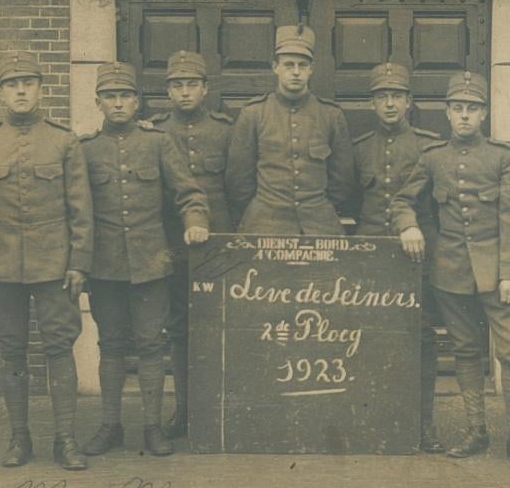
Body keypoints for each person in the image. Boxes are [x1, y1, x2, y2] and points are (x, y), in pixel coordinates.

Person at [391, 71, 510, 465]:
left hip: (497, 275)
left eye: (472, 109)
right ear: (446, 113)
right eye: (457, 108)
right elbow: (403, 200)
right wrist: (407, 225)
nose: (464, 116)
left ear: (484, 114)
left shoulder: (501, 157)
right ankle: (476, 430)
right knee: (465, 350)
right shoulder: (433, 158)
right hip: (452, 273)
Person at [0, 51, 93, 471]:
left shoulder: (63, 141)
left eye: (28, 83)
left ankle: (66, 439)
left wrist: (78, 262)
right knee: (12, 351)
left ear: (41, 89)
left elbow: (81, 209)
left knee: (59, 347)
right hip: (2, 266)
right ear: (1, 93)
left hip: (54, 266)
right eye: (12, 84)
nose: (21, 91)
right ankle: (20, 438)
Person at [80, 62, 210, 456]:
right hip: (104, 267)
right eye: (110, 97)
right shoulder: (84, 150)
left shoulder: (158, 144)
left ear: (136, 102)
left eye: (125, 96)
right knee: (112, 345)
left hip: (152, 264)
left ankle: (153, 427)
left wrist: (195, 221)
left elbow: (189, 193)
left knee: (153, 346)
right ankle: (110, 425)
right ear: (98, 102)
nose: (118, 103)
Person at [352, 62, 446, 453]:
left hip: (416, 256)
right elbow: (347, 197)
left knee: (420, 338)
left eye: (396, 96)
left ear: (409, 101)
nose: (389, 104)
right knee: (367, 338)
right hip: (371, 255)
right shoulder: (358, 150)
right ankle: (371, 420)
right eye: (381, 97)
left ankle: (422, 424)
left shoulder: (428, 145)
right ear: (372, 103)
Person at [149, 50, 233, 439]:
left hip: (219, 247)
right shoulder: (155, 131)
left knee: (223, 326)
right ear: (168, 91)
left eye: (192, 85)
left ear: (205, 90)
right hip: (172, 247)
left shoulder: (225, 130)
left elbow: (240, 188)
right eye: (177, 85)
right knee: (179, 329)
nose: (185, 93)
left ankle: (221, 409)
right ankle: (183, 410)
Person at [225, 24, 355, 234]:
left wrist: (318, 208)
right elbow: (238, 180)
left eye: (302, 65)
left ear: (311, 69)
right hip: (265, 224)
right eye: (288, 65)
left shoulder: (331, 115)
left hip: (319, 225)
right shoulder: (254, 113)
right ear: (275, 67)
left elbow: (342, 179)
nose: (296, 72)